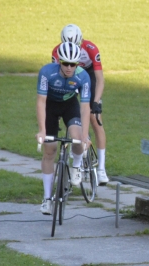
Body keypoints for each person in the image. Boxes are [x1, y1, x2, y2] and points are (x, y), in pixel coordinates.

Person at [35, 42, 91, 215]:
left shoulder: (83, 77)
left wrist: (85, 135)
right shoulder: (47, 72)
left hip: (69, 106)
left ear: (77, 64)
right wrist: (42, 130)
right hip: (50, 107)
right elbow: (41, 102)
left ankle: (76, 166)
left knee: (77, 139)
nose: (69, 68)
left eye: (73, 64)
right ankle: (47, 199)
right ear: (59, 61)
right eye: (65, 63)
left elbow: (85, 107)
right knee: (50, 150)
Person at [51, 24, 108, 184]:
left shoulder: (90, 49)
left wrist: (96, 102)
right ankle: (77, 141)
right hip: (69, 76)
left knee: (95, 119)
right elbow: (56, 77)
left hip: (88, 74)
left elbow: (100, 79)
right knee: (72, 108)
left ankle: (101, 168)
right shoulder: (57, 52)